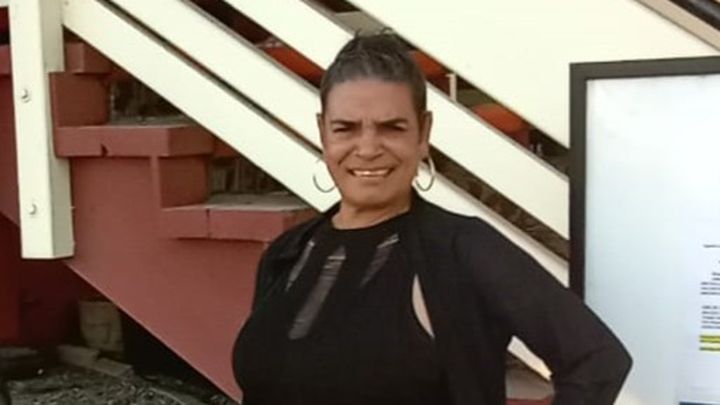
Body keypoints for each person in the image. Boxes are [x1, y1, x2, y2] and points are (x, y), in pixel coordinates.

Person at [232, 33, 631, 405]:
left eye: (392, 128)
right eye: (345, 129)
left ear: (423, 134)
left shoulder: (463, 250)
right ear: (323, 133)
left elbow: (597, 361)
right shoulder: (287, 254)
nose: (367, 148)